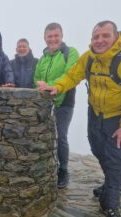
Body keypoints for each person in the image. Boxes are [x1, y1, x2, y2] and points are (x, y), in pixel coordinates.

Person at [38, 20, 121, 217]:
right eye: (96, 37)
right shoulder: (89, 58)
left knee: (118, 160)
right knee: (99, 151)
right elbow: (73, 75)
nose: (100, 40)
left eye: (105, 36)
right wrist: (57, 87)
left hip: (119, 119)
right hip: (95, 115)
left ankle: (110, 203)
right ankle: (109, 185)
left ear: (116, 37)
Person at [34, 23, 79, 188]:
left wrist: (48, 85)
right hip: (46, 103)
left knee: (61, 135)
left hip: (64, 102)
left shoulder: (71, 53)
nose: (53, 39)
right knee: (46, 135)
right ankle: (50, 164)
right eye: (49, 36)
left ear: (61, 36)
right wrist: (43, 86)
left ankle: (63, 171)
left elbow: (69, 74)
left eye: (56, 36)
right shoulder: (43, 58)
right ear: (44, 38)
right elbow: (36, 78)